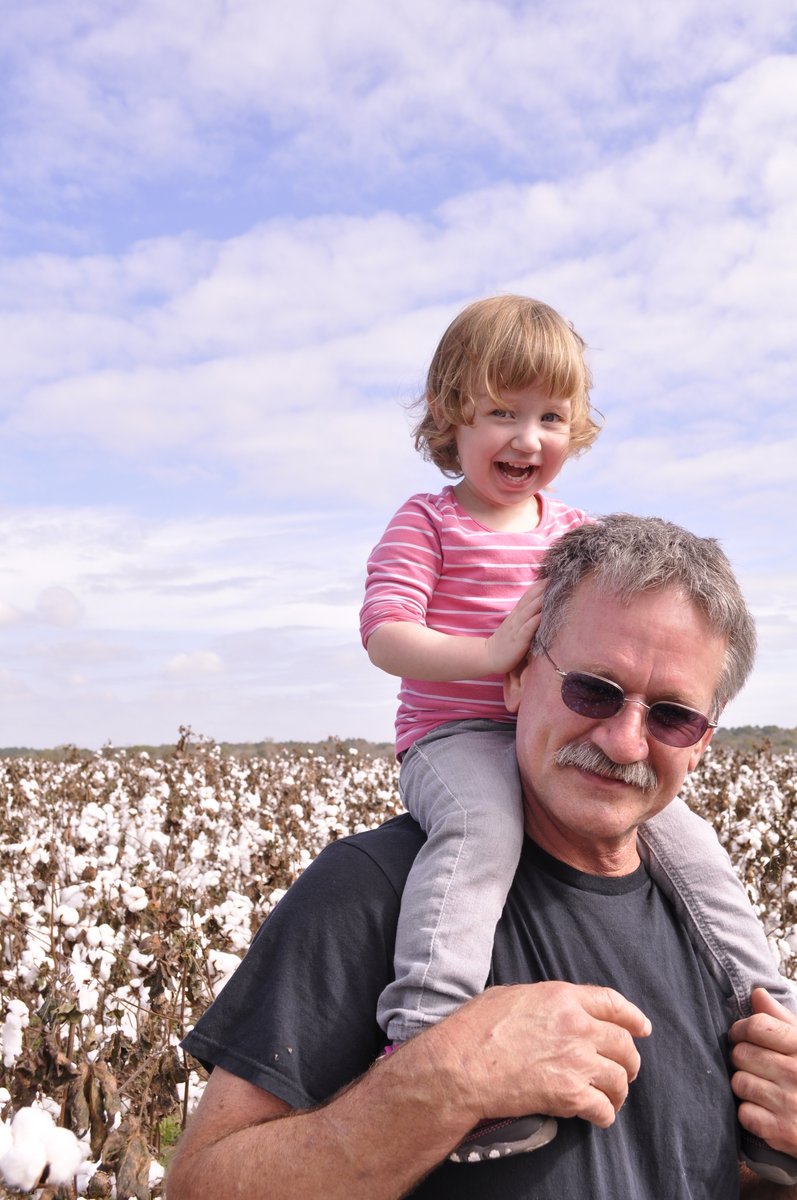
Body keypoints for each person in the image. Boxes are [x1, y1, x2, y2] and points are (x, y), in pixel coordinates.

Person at [169, 514, 797, 1200]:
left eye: (672, 715)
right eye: (591, 688)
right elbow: (203, 1186)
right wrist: (439, 1084)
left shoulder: (712, 933)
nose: (622, 741)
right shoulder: (371, 889)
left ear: (702, 741)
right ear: (516, 679)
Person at [358, 295, 792, 1159]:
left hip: (562, 749)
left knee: (703, 864)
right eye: (501, 413)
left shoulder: (573, 531)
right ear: (450, 417)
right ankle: (426, 1035)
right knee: (481, 834)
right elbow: (383, 637)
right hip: (456, 742)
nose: (526, 439)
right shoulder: (428, 521)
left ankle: (774, 1032)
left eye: (550, 417)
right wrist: (492, 656)